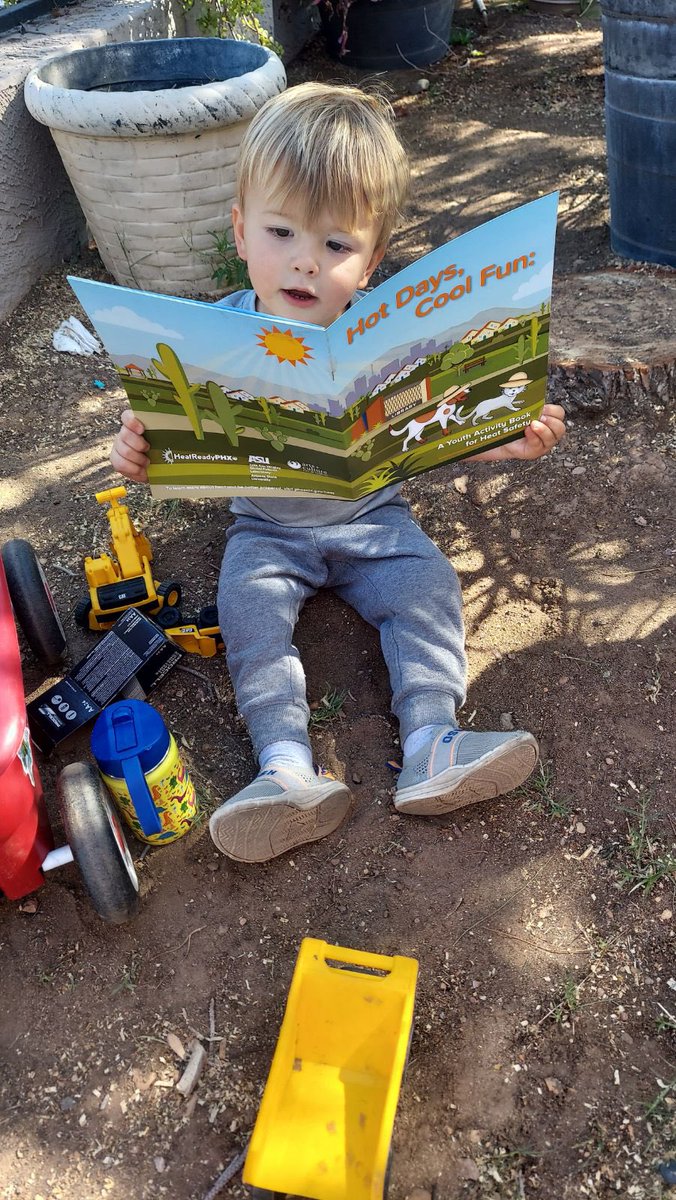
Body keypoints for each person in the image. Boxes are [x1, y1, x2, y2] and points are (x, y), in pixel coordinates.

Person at [111, 82, 566, 865]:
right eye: (281, 231)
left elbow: (432, 426)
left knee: (428, 587)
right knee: (247, 617)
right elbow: (171, 452)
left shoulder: (391, 335)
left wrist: (504, 441)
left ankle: (433, 741)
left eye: (336, 245)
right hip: (266, 530)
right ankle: (284, 770)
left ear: (373, 257)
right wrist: (140, 455)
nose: (303, 261)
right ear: (240, 232)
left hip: (375, 520)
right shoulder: (207, 341)